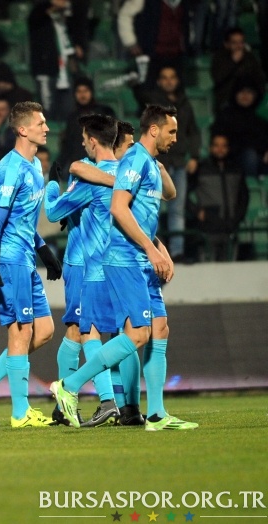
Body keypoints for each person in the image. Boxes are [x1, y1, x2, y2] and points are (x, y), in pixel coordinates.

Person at [51, 104, 198, 432]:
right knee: (137, 334)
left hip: (143, 258)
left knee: (160, 329)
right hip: (125, 258)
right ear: (154, 130)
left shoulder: (148, 163)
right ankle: (69, 385)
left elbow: (169, 194)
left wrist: (158, 248)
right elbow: (119, 208)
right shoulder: (132, 161)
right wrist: (151, 248)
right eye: (172, 131)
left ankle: (156, 414)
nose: (176, 137)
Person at [0, 101, 63, 428]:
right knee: (21, 333)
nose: (46, 128)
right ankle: (21, 413)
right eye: (40, 123)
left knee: (44, 330)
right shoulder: (8, 169)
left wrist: (43, 250)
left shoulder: (34, 166)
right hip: (9, 260)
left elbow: (22, 220)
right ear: (22, 129)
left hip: (26, 259)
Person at [45, 114, 121, 427]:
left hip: (85, 263)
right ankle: (116, 403)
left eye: (83, 138)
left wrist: (52, 185)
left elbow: (53, 212)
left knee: (82, 330)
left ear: (92, 140)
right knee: (117, 332)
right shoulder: (128, 172)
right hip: (121, 264)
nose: (82, 143)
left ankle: (101, 400)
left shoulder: (90, 175)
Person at [133, 65, 201, 261]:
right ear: (159, 81)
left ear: (177, 81)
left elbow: (193, 132)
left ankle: (177, 252)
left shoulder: (185, 103)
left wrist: (194, 156)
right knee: (151, 208)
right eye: (164, 77)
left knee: (176, 210)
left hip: (178, 163)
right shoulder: (153, 104)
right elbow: (140, 95)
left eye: (172, 77)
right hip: (156, 162)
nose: (169, 81)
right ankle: (151, 251)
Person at [189, 133, 248, 261]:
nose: (220, 149)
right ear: (210, 148)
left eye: (224, 146)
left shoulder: (236, 169)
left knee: (232, 270)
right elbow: (183, 194)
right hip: (208, 228)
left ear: (228, 148)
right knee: (207, 269)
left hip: (231, 227)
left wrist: (238, 217)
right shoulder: (201, 168)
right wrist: (197, 211)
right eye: (216, 145)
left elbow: (244, 197)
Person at [57, 77, 116, 169]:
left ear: (92, 92)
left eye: (85, 91)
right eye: (79, 91)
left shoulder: (105, 112)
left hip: (103, 164)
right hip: (80, 165)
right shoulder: (72, 117)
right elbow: (68, 146)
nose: (82, 95)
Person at [211, 27, 266, 113]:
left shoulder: (249, 58)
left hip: (249, 101)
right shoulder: (219, 58)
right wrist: (233, 62)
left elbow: (260, 79)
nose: (238, 46)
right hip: (226, 99)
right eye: (234, 43)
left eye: (241, 42)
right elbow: (218, 78)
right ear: (227, 44)